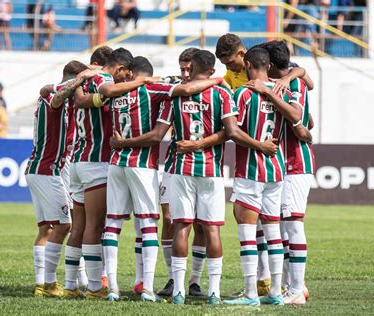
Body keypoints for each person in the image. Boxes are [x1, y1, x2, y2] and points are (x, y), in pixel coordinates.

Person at [110, 50, 274, 305]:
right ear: (211, 70)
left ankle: (178, 291)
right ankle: (214, 292)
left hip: (179, 169)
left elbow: (159, 133)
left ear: (193, 67)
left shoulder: (174, 95)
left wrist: (192, 144)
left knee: (181, 226)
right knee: (211, 229)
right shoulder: (222, 93)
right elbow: (229, 132)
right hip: (210, 170)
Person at [102, 55, 223, 302]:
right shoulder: (152, 88)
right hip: (142, 164)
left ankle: (112, 287)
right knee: (148, 226)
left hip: (116, 163)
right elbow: (186, 88)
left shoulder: (113, 92)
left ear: (129, 72)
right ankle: (147, 288)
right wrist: (218, 78)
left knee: (113, 225)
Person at [71, 47, 163, 299]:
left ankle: (87, 284)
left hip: (91, 160)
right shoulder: (112, 83)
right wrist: (143, 81)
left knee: (97, 225)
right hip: (112, 162)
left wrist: (81, 77)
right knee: (134, 224)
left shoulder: (89, 81)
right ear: (122, 69)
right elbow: (108, 91)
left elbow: (78, 98)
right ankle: (131, 287)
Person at [221, 47, 306, 307]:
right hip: (277, 169)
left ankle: (250, 294)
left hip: (251, 170)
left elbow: (233, 131)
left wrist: (257, 144)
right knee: (273, 232)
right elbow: (297, 117)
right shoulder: (284, 90)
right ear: (269, 66)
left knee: (247, 231)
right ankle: (275, 294)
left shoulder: (244, 93)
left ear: (247, 64)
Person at [25, 60, 95, 297]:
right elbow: (55, 96)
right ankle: (49, 284)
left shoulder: (61, 99)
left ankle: (41, 284)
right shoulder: (53, 97)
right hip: (47, 170)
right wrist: (81, 79)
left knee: (47, 228)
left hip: (42, 169)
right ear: (72, 80)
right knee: (66, 224)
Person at [259, 40, 315, 305]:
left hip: (296, 161)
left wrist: (300, 124)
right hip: (284, 161)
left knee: (293, 223)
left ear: (269, 65)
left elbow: (298, 119)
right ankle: (293, 285)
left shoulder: (293, 84)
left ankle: (296, 290)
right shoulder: (291, 79)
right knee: (280, 226)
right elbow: (308, 119)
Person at [157, 47, 208, 298]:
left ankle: (195, 281)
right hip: (174, 165)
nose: (186, 73)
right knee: (169, 220)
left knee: (200, 224)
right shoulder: (175, 87)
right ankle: (171, 277)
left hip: (204, 165)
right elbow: (157, 81)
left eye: (190, 68)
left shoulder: (214, 91)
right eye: (182, 69)